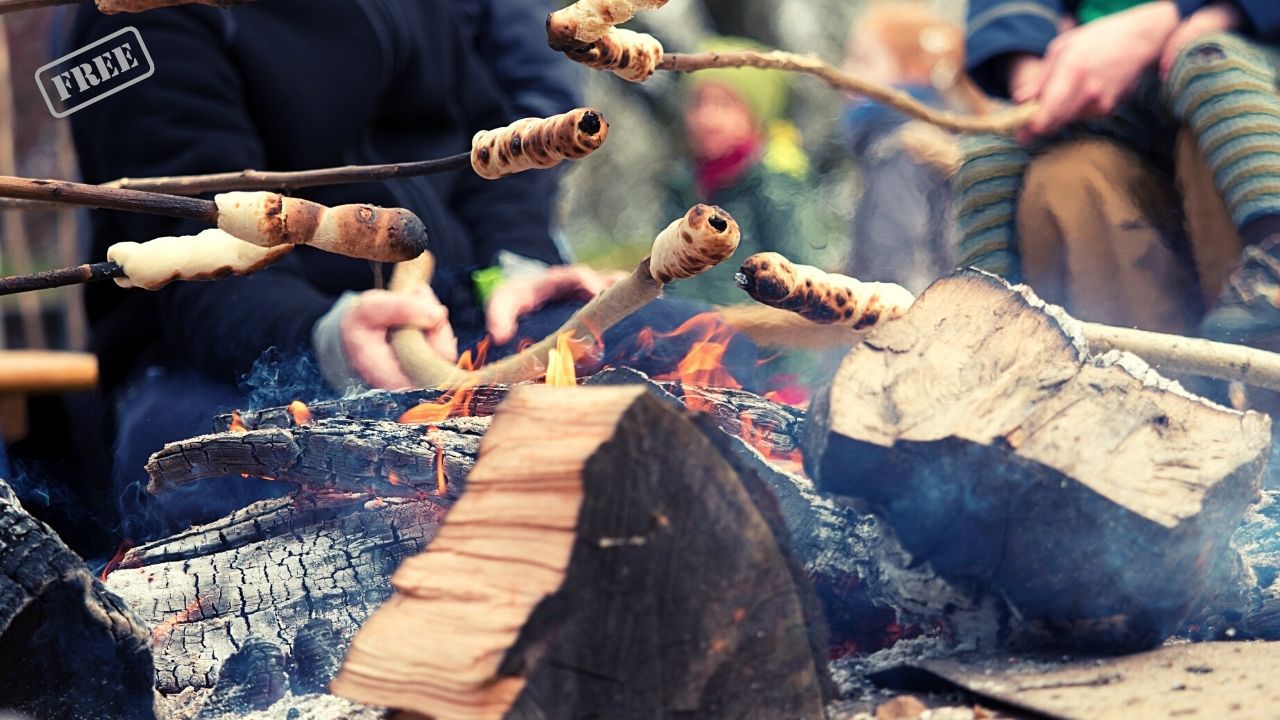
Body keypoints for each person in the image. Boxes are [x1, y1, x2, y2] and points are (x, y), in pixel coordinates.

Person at [69, 0, 755, 538]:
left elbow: (493, 140)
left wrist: (516, 266)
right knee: (207, 473)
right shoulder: (123, 18)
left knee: (675, 344)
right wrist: (329, 336)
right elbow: (197, 270)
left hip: (454, 310)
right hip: (230, 354)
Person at [953, 1, 1280, 342]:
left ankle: (1273, 269)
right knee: (994, 146)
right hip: (1109, 78)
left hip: (1242, 49)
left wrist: (1203, 12)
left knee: (1207, 62)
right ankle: (985, 327)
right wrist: (1028, 68)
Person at [663, 36, 835, 308]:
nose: (707, 118)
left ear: (757, 115)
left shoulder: (779, 188)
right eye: (698, 103)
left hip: (759, 344)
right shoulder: (682, 186)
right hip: (686, 339)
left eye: (725, 104)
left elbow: (802, 286)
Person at [841, 3, 981, 293]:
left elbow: (896, 256)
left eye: (864, 61)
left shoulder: (899, 147)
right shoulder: (931, 133)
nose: (845, 71)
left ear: (914, 71)